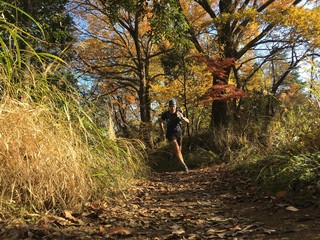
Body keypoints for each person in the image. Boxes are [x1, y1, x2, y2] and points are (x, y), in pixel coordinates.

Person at [159, 98, 190, 172]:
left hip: (179, 133)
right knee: (176, 146)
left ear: (176, 106)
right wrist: (162, 131)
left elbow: (187, 121)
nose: (172, 107)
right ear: (169, 107)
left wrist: (182, 117)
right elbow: (160, 122)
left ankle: (177, 164)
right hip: (170, 133)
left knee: (178, 150)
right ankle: (184, 165)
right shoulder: (166, 114)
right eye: (171, 106)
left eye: (173, 106)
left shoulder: (180, 112)